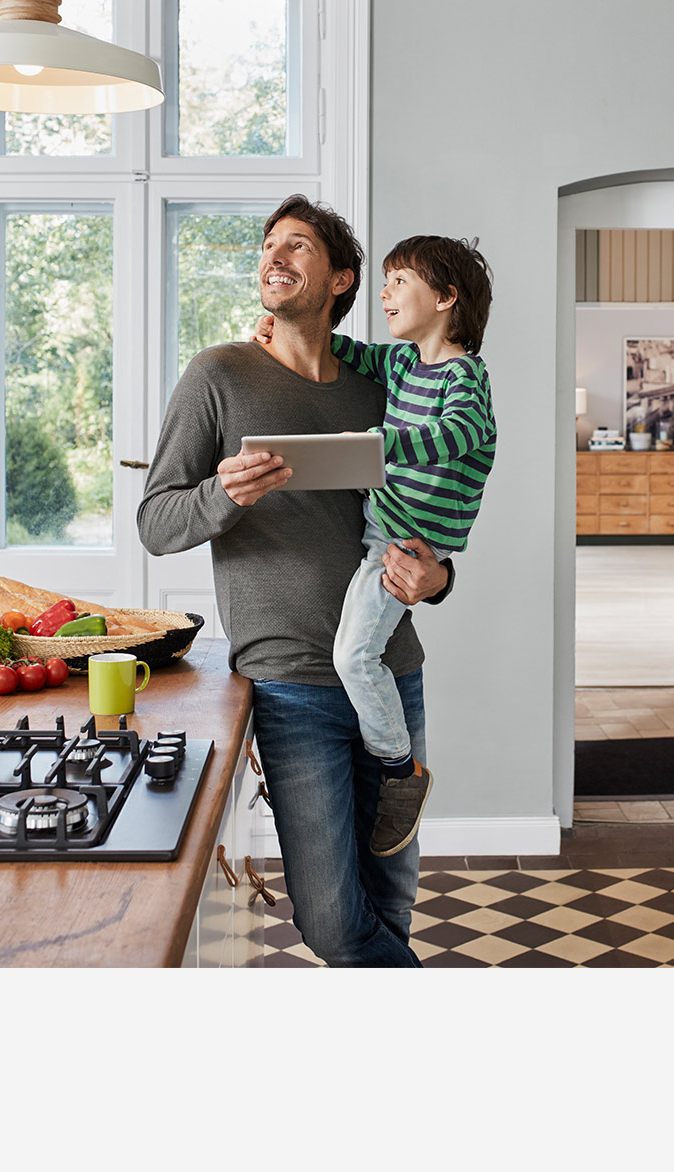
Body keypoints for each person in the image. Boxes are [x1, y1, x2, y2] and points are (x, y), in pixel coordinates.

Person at [136, 194, 453, 968]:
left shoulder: (381, 387)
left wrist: (438, 579)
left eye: (299, 246)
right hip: (289, 689)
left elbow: (427, 512)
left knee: (390, 906)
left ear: (342, 279)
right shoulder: (219, 374)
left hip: (390, 672)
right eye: (269, 244)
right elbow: (156, 522)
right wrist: (224, 493)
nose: (275, 255)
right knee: (335, 923)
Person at [253, 235, 495, 860]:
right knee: (358, 657)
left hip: (400, 547)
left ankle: (399, 772)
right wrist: (277, 333)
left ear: (445, 298)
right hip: (386, 537)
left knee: (355, 659)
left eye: (399, 282)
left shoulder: (465, 377)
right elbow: (349, 350)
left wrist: (378, 447)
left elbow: (463, 433)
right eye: (383, 281)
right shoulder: (403, 364)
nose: (383, 294)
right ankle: (395, 766)